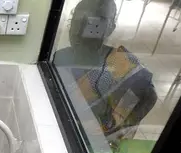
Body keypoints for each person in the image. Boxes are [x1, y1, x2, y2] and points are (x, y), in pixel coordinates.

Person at [53, 0, 157, 142]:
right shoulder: (60, 57)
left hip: (95, 147)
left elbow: (148, 96)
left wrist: (117, 129)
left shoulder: (124, 64)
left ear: (110, 28)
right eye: (78, 21)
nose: (83, 30)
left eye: (95, 23)